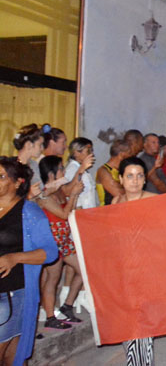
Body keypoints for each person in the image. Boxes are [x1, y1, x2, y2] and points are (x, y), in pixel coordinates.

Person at [0, 157, 57, 366]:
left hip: (12, 294)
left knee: (11, 356)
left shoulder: (29, 213)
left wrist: (14, 258)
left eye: (1, 177)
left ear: (17, 183)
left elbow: (50, 252)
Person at [113, 157, 156, 365]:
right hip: (123, 273)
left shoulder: (153, 201)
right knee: (127, 327)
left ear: (145, 179)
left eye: (139, 176)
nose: (135, 181)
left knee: (141, 327)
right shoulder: (116, 202)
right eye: (129, 176)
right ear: (121, 179)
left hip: (144, 273)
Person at [36, 156, 87, 328]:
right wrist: (73, 195)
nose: (64, 172)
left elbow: (68, 208)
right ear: (52, 174)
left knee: (84, 269)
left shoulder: (58, 191)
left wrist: (80, 173)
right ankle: (50, 317)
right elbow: (65, 214)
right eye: (61, 169)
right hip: (53, 241)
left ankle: (67, 305)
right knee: (53, 278)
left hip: (63, 239)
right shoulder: (44, 196)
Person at [64, 138, 97, 210]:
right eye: (88, 151)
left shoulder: (82, 168)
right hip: (80, 213)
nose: (92, 154)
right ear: (76, 153)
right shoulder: (72, 169)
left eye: (92, 150)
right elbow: (69, 191)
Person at [96, 139, 131, 206]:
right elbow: (119, 194)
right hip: (106, 213)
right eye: (129, 154)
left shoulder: (121, 170)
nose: (130, 158)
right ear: (121, 155)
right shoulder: (103, 171)